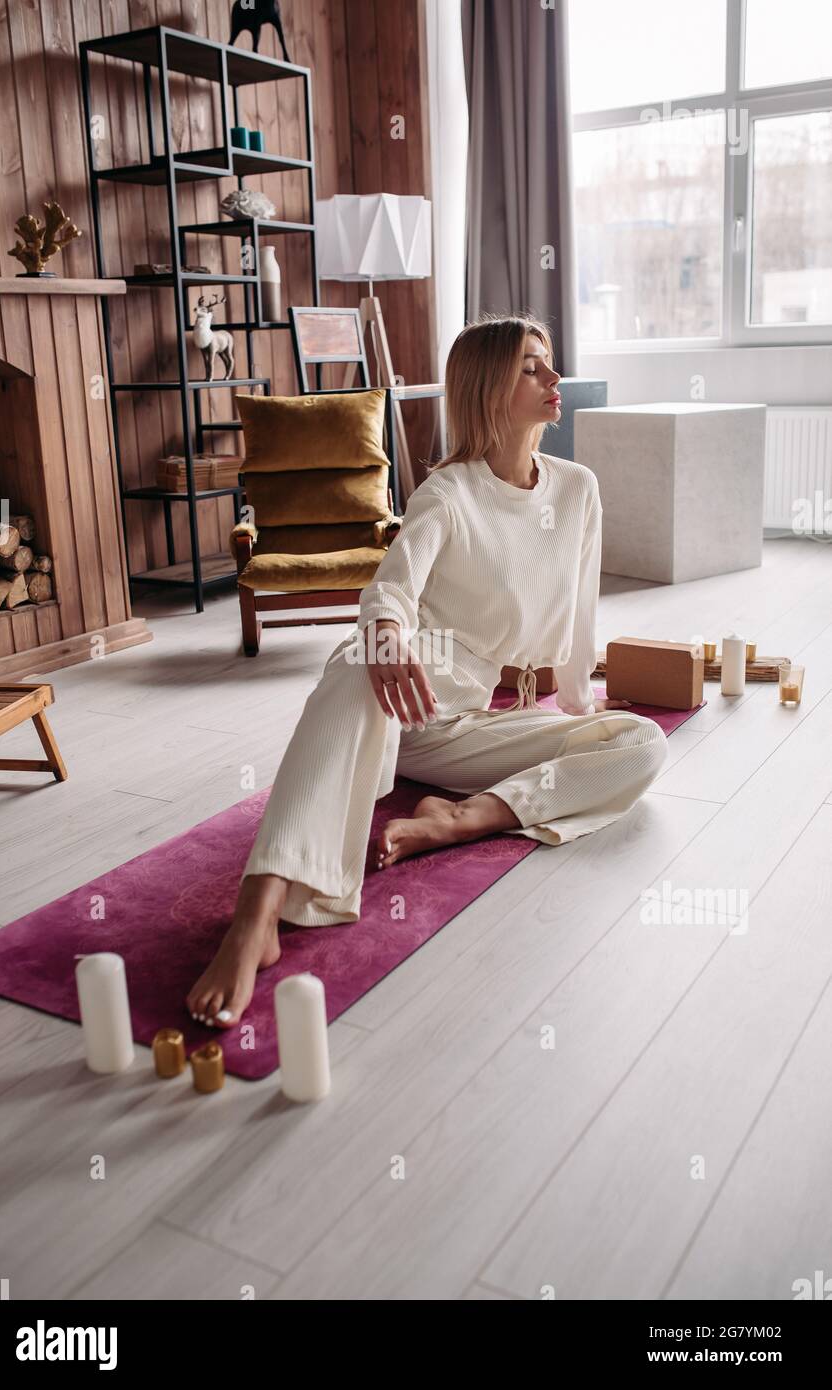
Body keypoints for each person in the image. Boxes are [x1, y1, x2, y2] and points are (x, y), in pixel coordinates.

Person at [186, 313, 669, 1027]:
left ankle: (462, 820)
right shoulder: (449, 492)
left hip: (493, 718)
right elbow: (392, 585)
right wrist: (385, 632)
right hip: (416, 699)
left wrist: (577, 703)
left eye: (549, 363)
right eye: (532, 367)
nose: (553, 377)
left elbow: (580, 602)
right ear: (487, 388)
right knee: (358, 664)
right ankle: (257, 911)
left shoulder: (578, 489)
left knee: (642, 744)